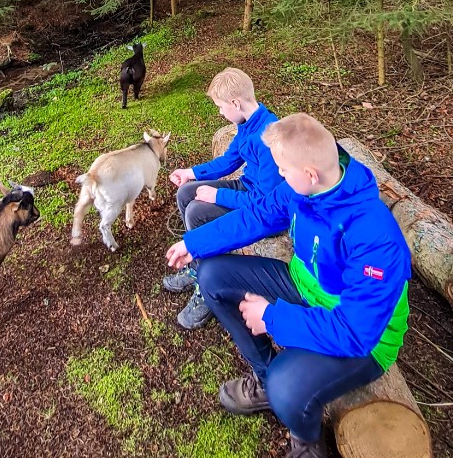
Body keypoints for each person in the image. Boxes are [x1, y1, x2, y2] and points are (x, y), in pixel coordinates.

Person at [165, 113, 412, 458]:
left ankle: (306, 441)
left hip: (365, 339)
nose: (278, 174)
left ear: (310, 173)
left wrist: (272, 318)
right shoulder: (306, 188)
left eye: (282, 169)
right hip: (303, 286)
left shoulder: (375, 238)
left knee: (287, 387)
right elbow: (259, 214)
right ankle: (264, 379)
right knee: (213, 277)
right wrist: (194, 244)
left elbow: (356, 333)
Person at [164, 67, 282, 329]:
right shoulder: (247, 124)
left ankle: (206, 287)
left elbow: (265, 203)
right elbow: (230, 160)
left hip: (261, 208)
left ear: (235, 103)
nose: (219, 112)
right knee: (187, 191)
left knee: (196, 211)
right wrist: (191, 173)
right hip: (248, 189)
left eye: (220, 106)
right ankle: (197, 264)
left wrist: (219, 194)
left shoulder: (268, 137)